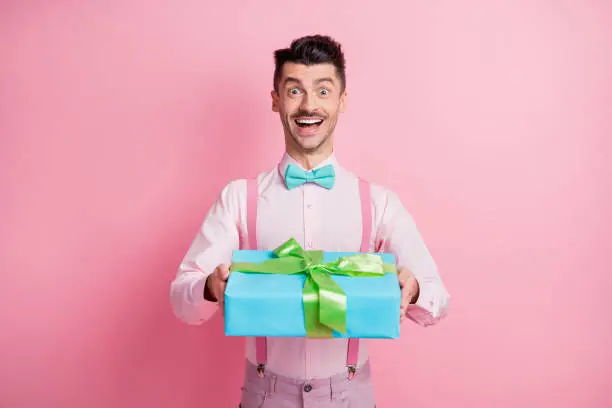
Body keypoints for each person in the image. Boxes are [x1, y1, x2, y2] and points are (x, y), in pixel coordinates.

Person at [170, 34, 450, 408]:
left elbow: (438, 299)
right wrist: (209, 286)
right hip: (264, 396)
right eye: (294, 90)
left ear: (341, 101)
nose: (308, 105)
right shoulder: (238, 198)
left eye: (322, 91)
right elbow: (182, 299)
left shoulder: (378, 204)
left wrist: (412, 289)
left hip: (351, 396)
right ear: (275, 100)